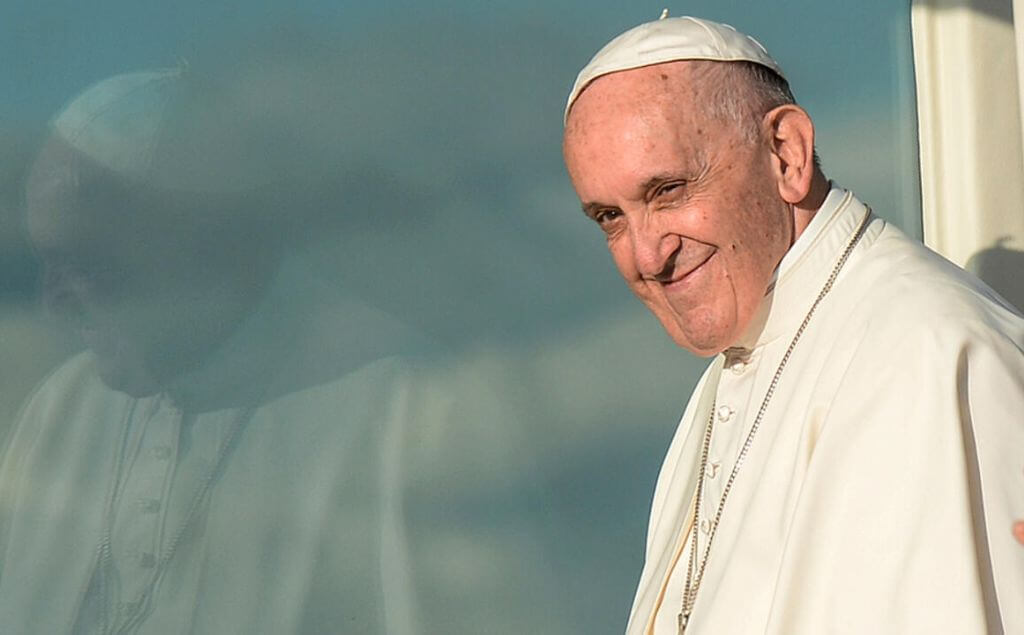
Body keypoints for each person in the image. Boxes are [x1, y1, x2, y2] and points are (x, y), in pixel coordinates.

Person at [562, 14, 1024, 635]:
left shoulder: (932, 351)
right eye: (610, 218)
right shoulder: (730, 375)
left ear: (787, 153)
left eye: (668, 190)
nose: (647, 255)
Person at [0, 66, 432, 633]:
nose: (53, 303)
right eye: (42, 261)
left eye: (89, 265)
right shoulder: (60, 409)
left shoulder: (402, 412)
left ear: (205, 244)